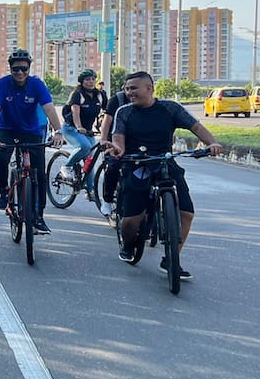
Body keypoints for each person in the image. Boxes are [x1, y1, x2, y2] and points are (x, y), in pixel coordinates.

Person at [106, 71, 223, 280]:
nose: (129, 93)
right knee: (132, 221)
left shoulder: (170, 108)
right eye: (127, 89)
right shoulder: (124, 112)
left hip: (165, 162)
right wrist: (118, 150)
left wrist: (211, 143)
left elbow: (196, 126)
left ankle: (171, 259)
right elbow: (118, 138)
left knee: (186, 213)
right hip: (137, 164)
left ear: (149, 89)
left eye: (134, 88)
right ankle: (128, 244)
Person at [0, 50, 64, 235]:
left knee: (40, 175)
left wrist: (58, 131)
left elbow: (49, 109)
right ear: (10, 69)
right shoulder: (2, 85)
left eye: (24, 68)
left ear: (29, 68)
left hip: (31, 131)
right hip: (6, 129)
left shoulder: (37, 84)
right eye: (15, 69)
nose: (20, 72)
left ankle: (38, 217)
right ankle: (4, 188)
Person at [58, 69, 103, 199]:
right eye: (87, 79)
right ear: (82, 82)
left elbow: (107, 112)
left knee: (90, 160)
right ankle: (66, 166)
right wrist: (78, 126)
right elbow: (75, 113)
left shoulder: (99, 95)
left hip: (88, 131)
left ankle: (90, 191)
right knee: (85, 147)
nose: (91, 82)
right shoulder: (77, 94)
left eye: (93, 79)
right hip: (71, 128)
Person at [96, 82, 131, 219]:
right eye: (128, 89)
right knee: (113, 167)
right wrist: (104, 139)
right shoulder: (117, 100)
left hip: (136, 140)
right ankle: (107, 200)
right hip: (115, 139)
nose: (131, 93)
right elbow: (107, 121)